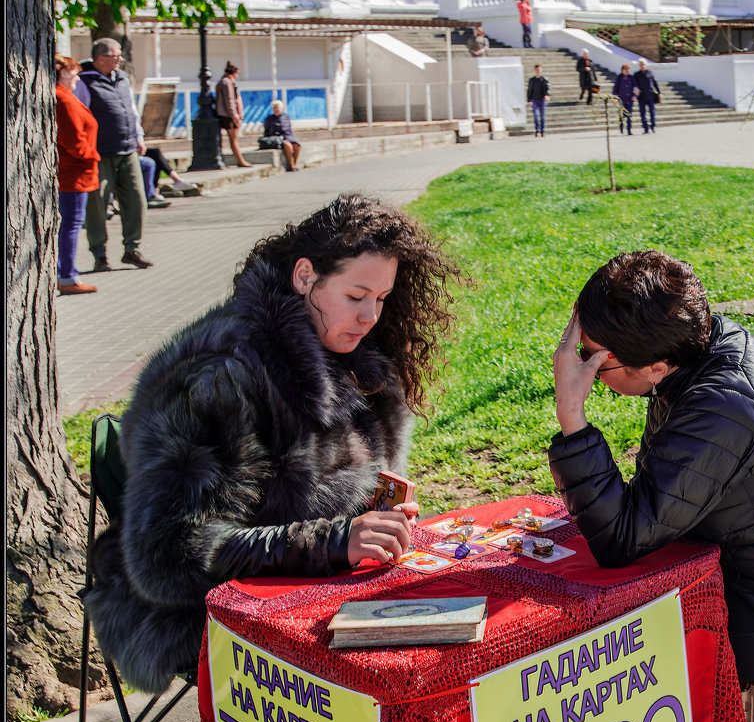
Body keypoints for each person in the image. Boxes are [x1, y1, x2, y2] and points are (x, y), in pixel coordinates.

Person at [82, 193, 466, 694]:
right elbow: (170, 557)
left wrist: (376, 510)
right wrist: (333, 541)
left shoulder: (356, 360)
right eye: (356, 296)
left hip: (310, 586)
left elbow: (326, 491)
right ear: (305, 276)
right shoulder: (219, 381)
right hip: (203, 608)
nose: (371, 315)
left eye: (382, 298)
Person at [549, 250, 754, 684]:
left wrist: (572, 414)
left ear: (656, 367)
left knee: (605, 656)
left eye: (594, 364)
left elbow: (621, 538)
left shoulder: (723, 405)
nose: (580, 370)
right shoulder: (695, 352)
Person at [79, 38, 153, 272]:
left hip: (127, 148)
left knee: (136, 199)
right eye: (116, 55)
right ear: (100, 58)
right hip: (99, 153)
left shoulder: (121, 78)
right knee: (97, 204)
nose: (121, 59)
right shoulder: (84, 81)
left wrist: (138, 136)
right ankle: (99, 254)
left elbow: (131, 109)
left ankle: (132, 249)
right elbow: (81, 115)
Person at [55, 54, 100, 295]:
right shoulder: (62, 99)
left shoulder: (64, 96)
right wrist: (92, 156)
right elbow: (74, 141)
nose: (77, 77)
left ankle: (65, 272)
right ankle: (67, 276)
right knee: (71, 224)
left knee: (70, 224)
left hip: (76, 171)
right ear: (61, 74)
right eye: (72, 73)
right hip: (74, 172)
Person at [215, 61, 251, 168]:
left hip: (227, 114)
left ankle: (240, 159)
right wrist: (235, 115)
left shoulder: (224, 82)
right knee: (234, 139)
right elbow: (229, 100)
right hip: (228, 115)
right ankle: (240, 160)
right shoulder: (227, 83)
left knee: (233, 139)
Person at [262, 100, 302, 172]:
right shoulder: (268, 119)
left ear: (281, 108)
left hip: (288, 136)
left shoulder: (286, 116)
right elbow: (266, 132)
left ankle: (295, 164)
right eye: (275, 108)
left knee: (297, 146)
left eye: (278, 108)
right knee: (288, 146)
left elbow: (289, 128)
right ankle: (291, 165)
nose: (276, 109)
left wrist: (291, 137)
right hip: (277, 138)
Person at [633, 58, 661, 134]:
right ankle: (645, 128)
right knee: (643, 113)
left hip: (650, 95)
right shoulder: (636, 74)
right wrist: (635, 92)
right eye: (640, 64)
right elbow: (634, 84)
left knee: (652, 112)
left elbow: (655, 83)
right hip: (641, 96)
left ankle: (653, 126)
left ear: (645, 65)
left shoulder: (650, 73)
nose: (642, 65)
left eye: (643, 64)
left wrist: (659, 93)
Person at [527, 64, 551, 137]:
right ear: (535, 70)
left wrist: (547, 95)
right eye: (537, 70)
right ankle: (538, 130)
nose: (538, 71)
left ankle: (543, 131)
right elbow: (530, 90)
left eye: (539, 70)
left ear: (541, 70)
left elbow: (547, 88)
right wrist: (528, 99)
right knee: (536, 116)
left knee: (542, 116)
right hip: (534, 99)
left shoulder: (544, 80)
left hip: (541, 99)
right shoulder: (532, 80)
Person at [612, 62, 636, 136]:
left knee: (629, 115)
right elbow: (615, 88)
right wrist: (614, 99)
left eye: (628, 69)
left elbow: (636, 87)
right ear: (622, 70)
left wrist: (635, 95)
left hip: (629, 99)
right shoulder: (619, 77)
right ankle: (621, 128)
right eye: (626, 69)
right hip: (622, 99)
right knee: (621, 115)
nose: (627, 71)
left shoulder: (631, 77)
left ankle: (629, 130)